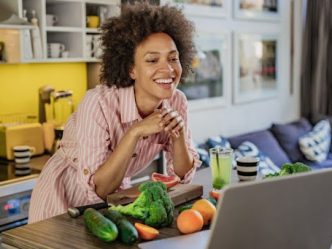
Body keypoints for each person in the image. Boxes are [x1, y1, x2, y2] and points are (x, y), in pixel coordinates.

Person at [29, 1, 201, 223]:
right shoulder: (98, 103)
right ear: (131, 68)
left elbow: (183, 175)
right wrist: (135, 132)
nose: (168, 69)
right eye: (152, 60)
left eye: (172, 58)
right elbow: (99, 188)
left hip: (114, 200)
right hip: (62, 200)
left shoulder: (176, 101)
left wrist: (177, 136)